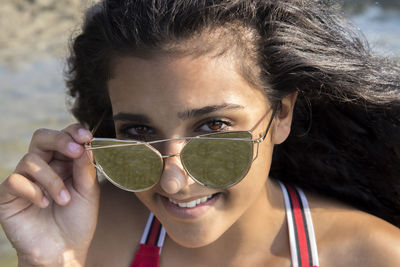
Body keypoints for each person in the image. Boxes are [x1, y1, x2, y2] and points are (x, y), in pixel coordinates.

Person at [1, 0, 400, 266]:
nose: (173, 182)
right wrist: (46, 261)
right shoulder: (86, 232)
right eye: (139, 131)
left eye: (213, 126)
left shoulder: (375, 256)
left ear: (281, 114)